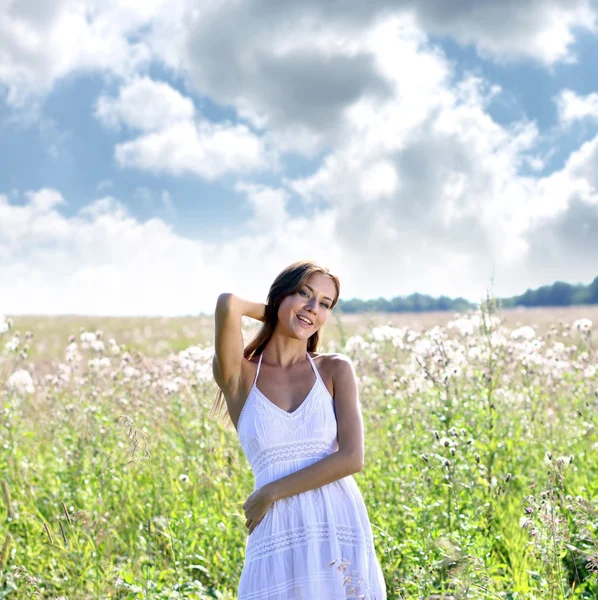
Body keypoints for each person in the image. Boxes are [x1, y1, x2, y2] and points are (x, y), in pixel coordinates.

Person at [211, 259, 387, 599]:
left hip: (336, 522)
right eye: (304, 294)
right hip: (276, 529)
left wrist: (270, 492)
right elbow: (228, 303)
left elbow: (352, 458)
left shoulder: (335, 369)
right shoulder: (240, 375)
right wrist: (280, 312)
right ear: (280, 296)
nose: (313, 309)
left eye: (324, 304)